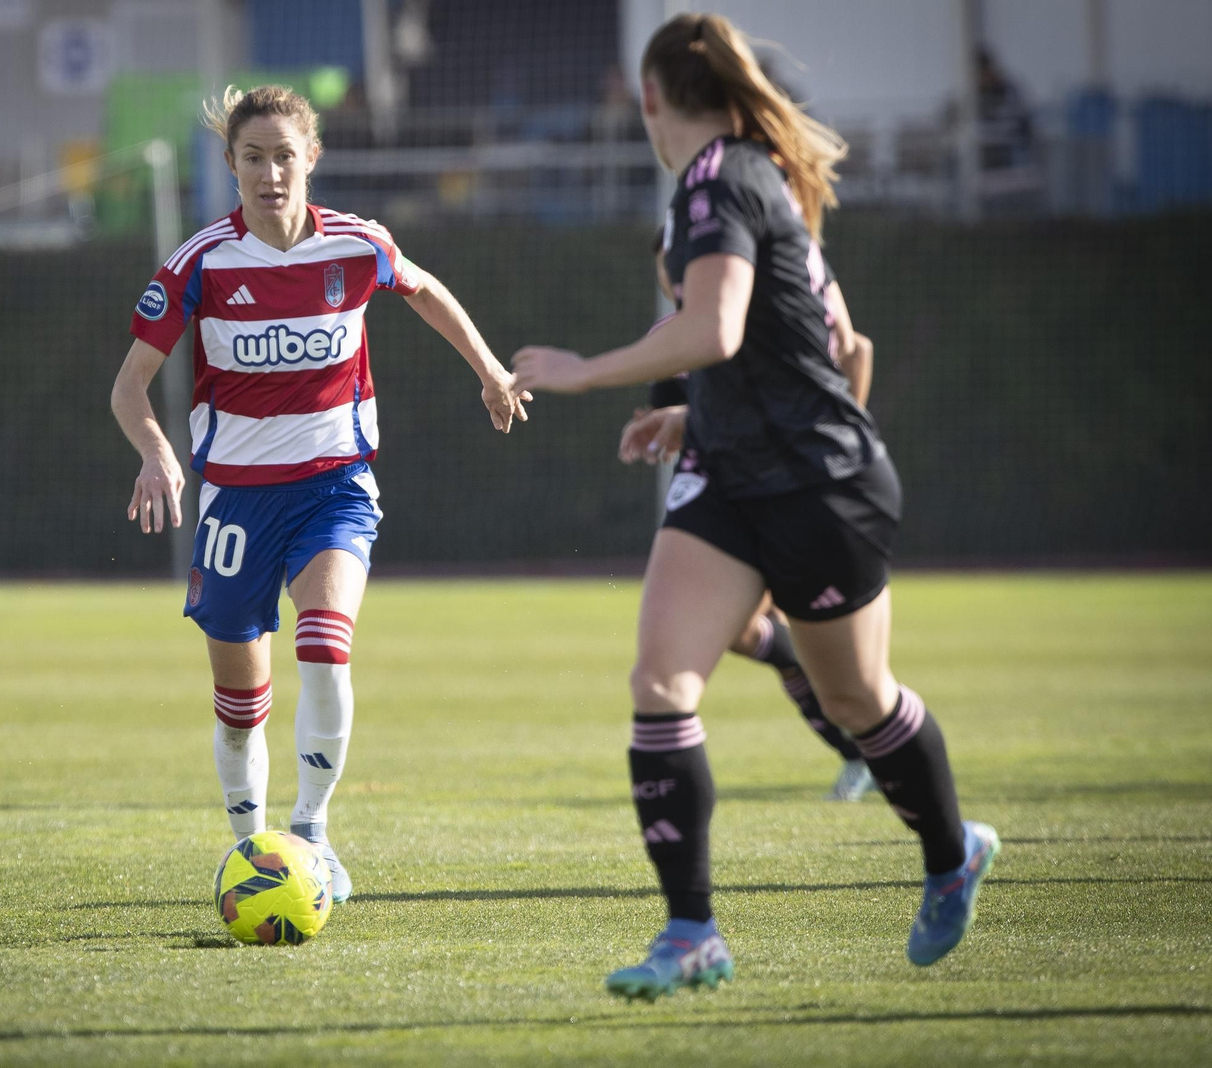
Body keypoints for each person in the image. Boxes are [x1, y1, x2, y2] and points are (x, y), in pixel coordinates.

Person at [512, 13, 998, 999]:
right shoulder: (728, 184)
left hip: (820, 486)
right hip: (735, 483)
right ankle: (690, 931)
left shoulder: (722, 181)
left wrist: (583, 371)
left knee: (861, 703)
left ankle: (951, 855)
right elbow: (801, 346)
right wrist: (700, 417)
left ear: (651, 97)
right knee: (660, 682)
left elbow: (721, 326)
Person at [111, 84, 530, 904]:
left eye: (284, 155)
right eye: (253, 157)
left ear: (312, 159)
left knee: (328, 645)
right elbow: (129, 388)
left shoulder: (356, 245)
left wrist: (488, 371)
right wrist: (159, 456)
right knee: (240, 707)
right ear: (230, 165)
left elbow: (425, 289)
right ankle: (250, 848)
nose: (271, 173)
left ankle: (310, 831)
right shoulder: (199, 263)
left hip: (334, 485)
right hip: (236, 502)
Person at [623, 226, 878, 802]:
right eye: (669, 263)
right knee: (761, 639)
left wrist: (840, 449)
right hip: (733, 501)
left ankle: (872, 752)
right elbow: (683, 417)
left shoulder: (759, 322)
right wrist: (663, 424)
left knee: (835, 666)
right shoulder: (676, 334)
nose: (678, 272)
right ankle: (864, 751)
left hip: (787, 490)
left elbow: (857, 350)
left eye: (684, 258)